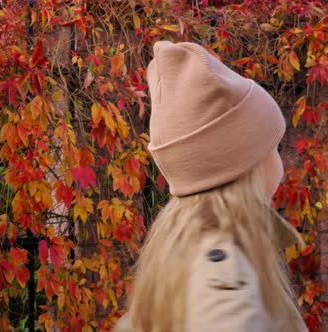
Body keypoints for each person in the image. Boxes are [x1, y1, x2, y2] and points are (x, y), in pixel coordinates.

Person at [113, 41, 307, 332]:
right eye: (273, 146)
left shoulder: (179, 252)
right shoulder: (224, 281)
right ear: (246, 163)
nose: (280, 158)